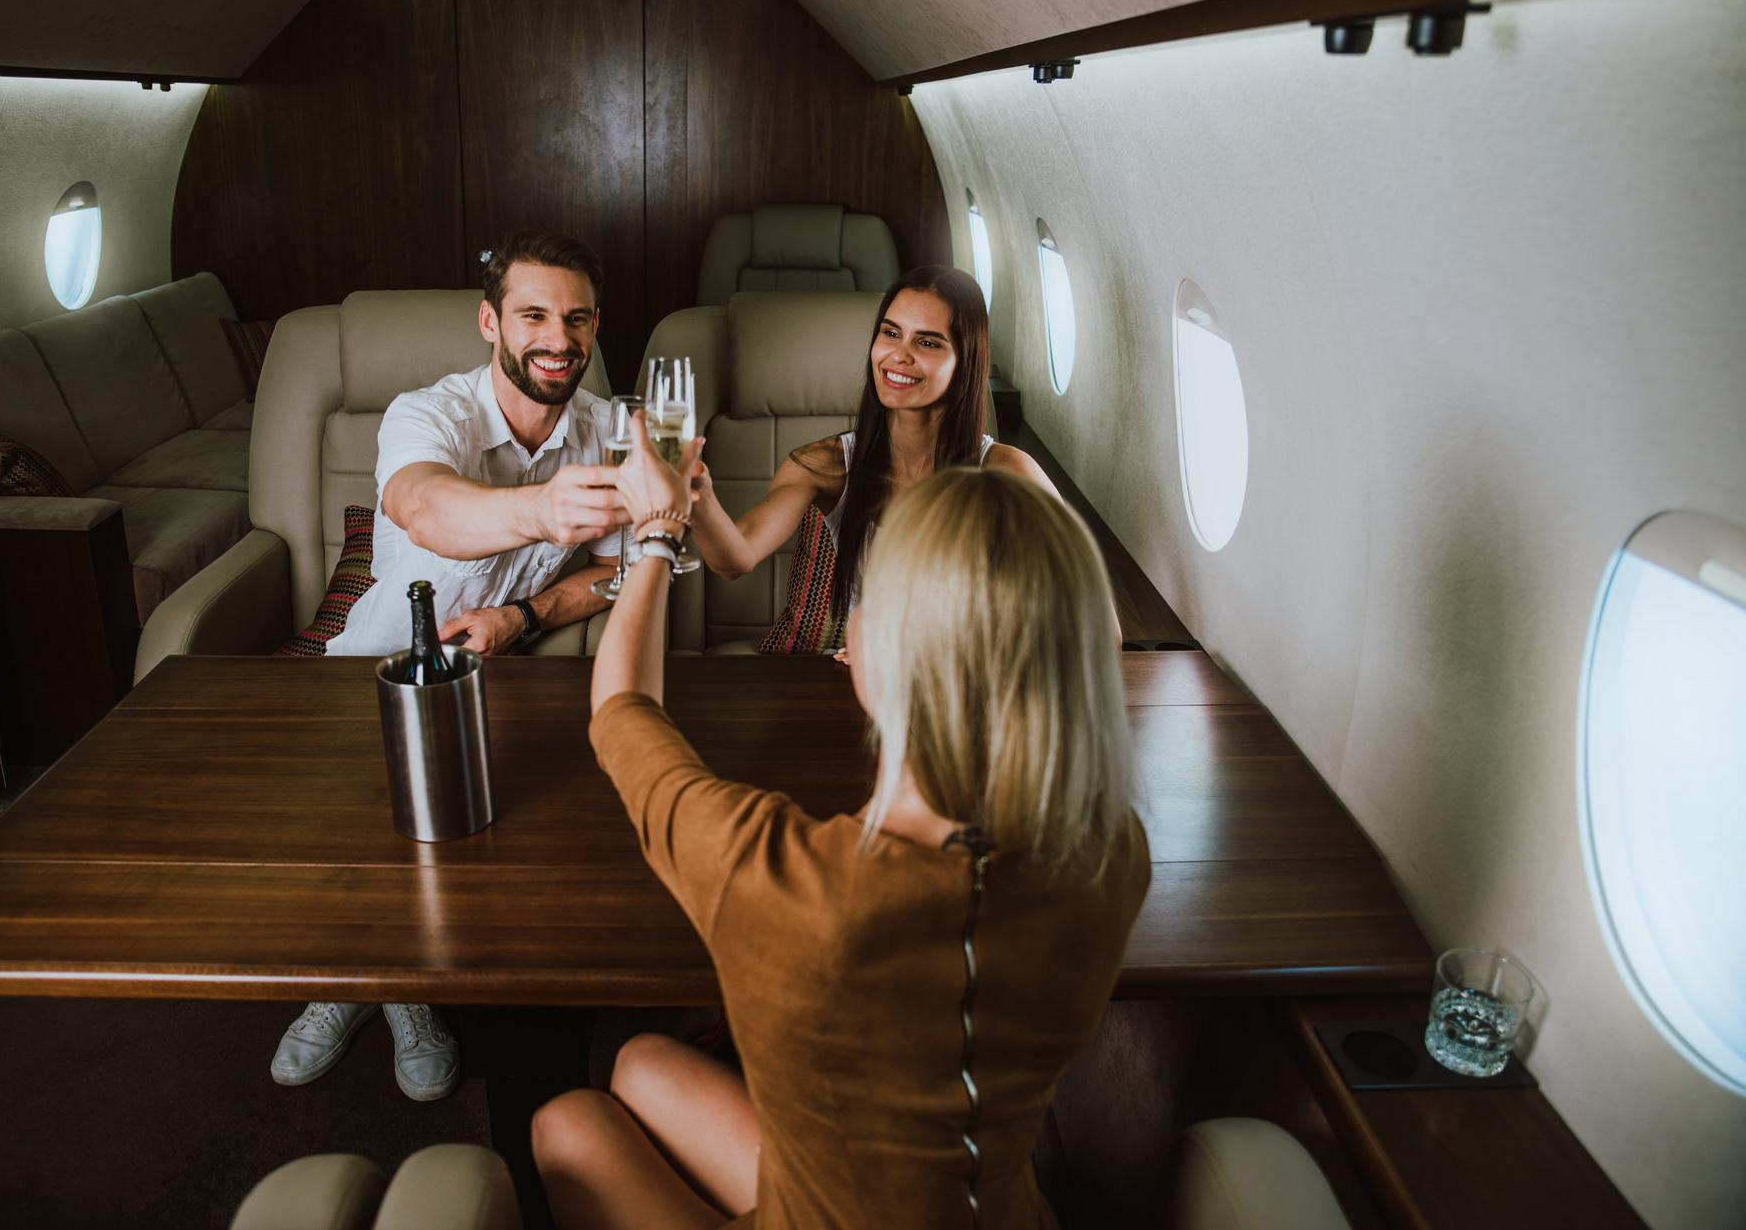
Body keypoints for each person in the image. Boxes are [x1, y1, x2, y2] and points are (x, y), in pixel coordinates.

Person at [531, 413, 1151, 1228]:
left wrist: (655, 536)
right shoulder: (1112, 854)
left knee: (563, 1123)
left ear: (877, 653)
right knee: (644, 1064)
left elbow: (620, 712)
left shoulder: (785, 880)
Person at [277, 230, 628, 1102]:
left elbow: (622, 569)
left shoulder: (605, 431)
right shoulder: (425, 412)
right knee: (361, 845)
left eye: (576, 318)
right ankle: (369, 991)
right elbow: (424, 508)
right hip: (371, 670)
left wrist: (527, 614)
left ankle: (418, 982)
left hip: (503, 673)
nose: (558, 338)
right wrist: (544, 510)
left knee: (477, 852)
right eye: (534, 315)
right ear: (490, 321)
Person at [687, 264, 1062, 635]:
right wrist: (698, 494)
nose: (899, 355)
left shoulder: (1009, 471)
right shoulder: (824, 465)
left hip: (962, 687)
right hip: (859, 679)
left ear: (965, 361)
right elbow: (735, 558)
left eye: (928, 342)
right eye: (891, 333)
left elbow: (1100, 630)